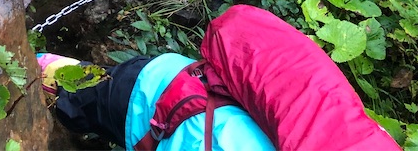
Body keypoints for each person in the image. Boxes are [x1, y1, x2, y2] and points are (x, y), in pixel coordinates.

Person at [38, 52, 275, 151]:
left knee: (89, 93)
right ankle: (38, 67)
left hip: (181, 77)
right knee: (74, 98)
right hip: (149, 97)